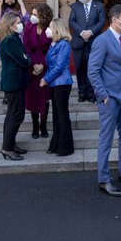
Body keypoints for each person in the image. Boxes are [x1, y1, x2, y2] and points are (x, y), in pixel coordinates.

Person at [88, 4, 121, 197]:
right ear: (115, 19)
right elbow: (93, 71)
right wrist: (104, 96)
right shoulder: (102, 40)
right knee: (106, 139)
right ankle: (104, 179)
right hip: (110, 98)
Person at [0, 12, 31, 160]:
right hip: (13, 82)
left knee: (13, 114)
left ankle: (10, 144)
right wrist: (27, 60)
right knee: (16, 115)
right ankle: (7, 148)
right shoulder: (10, 40)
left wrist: (25, 57)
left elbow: (23, 56)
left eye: (20, 22)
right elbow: (23, 60)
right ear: (9, 25)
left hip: (15, 82)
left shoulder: (14, 38)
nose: (20, 25)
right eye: (17, 22)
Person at [40, 18, 74, 156]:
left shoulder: (64, 44)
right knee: (56, 115)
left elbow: (59, 66)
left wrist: (45, 79)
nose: (48, 29)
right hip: (55, 83)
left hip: (62, 83)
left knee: (62, 115)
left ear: (57, 28)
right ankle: (56, 144)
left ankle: (65, 147)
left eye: (50, 26)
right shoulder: (54, 43)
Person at [69, 0, 105, 103]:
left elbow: (102, 21)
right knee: (80, 68)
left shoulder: (99, 6)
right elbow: (72, 21)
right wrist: (82, 32)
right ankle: (81, 93)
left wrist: (90, 32)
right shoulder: (75, 6)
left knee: (92, 68)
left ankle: (91, 93)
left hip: (93, 42)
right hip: (79, 42)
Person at [23, 3, 53, 139]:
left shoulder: (50, 28)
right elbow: (26, 47)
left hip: (46, 67)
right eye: (32, 14)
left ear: (43, 16)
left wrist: (42, 64)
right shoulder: (29, 27)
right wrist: (34, 64)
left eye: (35, 15)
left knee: (44, 98)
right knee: (33, 96)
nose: (32, 17)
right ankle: (35, 125)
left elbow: (51, 49)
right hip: (32, 68)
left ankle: (43, 125)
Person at [0, 0, 30, 105]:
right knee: (7, 66)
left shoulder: (18, 10)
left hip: (18, 39)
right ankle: (7, 94)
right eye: (7, 0)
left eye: (11, 0)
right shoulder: (2, 9)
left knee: (18, 65)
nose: (9, 3)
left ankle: (19, 91)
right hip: (5, 40)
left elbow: (27, 19)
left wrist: (21, 3)